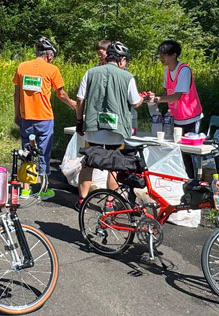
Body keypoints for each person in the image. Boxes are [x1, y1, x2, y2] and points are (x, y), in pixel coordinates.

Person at [75, 41, 145, 210]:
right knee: (113, 167)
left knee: (88, 163)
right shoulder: (127, 77)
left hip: (93, 127)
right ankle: (109, 203)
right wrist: (143, 98)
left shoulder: (90, 72)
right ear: (121, 60)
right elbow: (135, 103)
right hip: (116, 130)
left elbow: (79, 99)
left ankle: (82, 201)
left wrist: (79, 121)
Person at [13, 37, 76, 197]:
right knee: (44, 153)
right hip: (44, 118)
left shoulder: (22, 67)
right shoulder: (51, 69)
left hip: (26, 117)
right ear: (48, 55)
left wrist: (17, 113)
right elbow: (61, 94)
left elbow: (17, 93)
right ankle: (43, 190)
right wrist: (73, 104)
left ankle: (25, 189)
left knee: (26, 152)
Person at [147, 40, 204, 178]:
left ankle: (194, 180)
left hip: (190, 116)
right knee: (177, 149)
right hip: (175, 116)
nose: (161, 58)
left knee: (190, 152)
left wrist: (158, 99)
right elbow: (168, 94)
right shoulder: (167, 71)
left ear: (174, 55)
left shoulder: (184, 70)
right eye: (160, 55)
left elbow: (177, 96)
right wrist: (156, 98)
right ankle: (183, 179)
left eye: (164, 55)